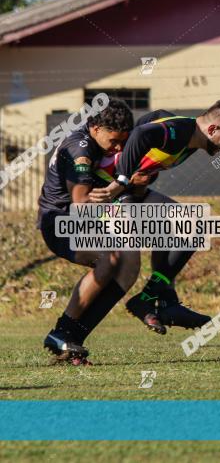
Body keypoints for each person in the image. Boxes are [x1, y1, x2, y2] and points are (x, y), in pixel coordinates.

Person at [89, 100, 220, 334]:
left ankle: (162, 301)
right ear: (213, 129)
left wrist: (141, 177)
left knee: (190, 226)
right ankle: (154, 301)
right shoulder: (179, 132)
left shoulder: (188, 137)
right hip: (104, 197)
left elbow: (153, 118)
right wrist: (121, 180)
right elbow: (142, 133)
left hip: (128, 194)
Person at [39, 99, 143, 365]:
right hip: (60, 222)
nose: (119, 148)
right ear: (95, 128)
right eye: (114, 141)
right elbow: (82, 201)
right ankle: (62, 331)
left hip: (84, 221)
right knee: (108, 259)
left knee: (129, 264)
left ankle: (72, 340)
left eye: (124, 141)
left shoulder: (99, 143)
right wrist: (122, 188)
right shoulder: (80, 149)